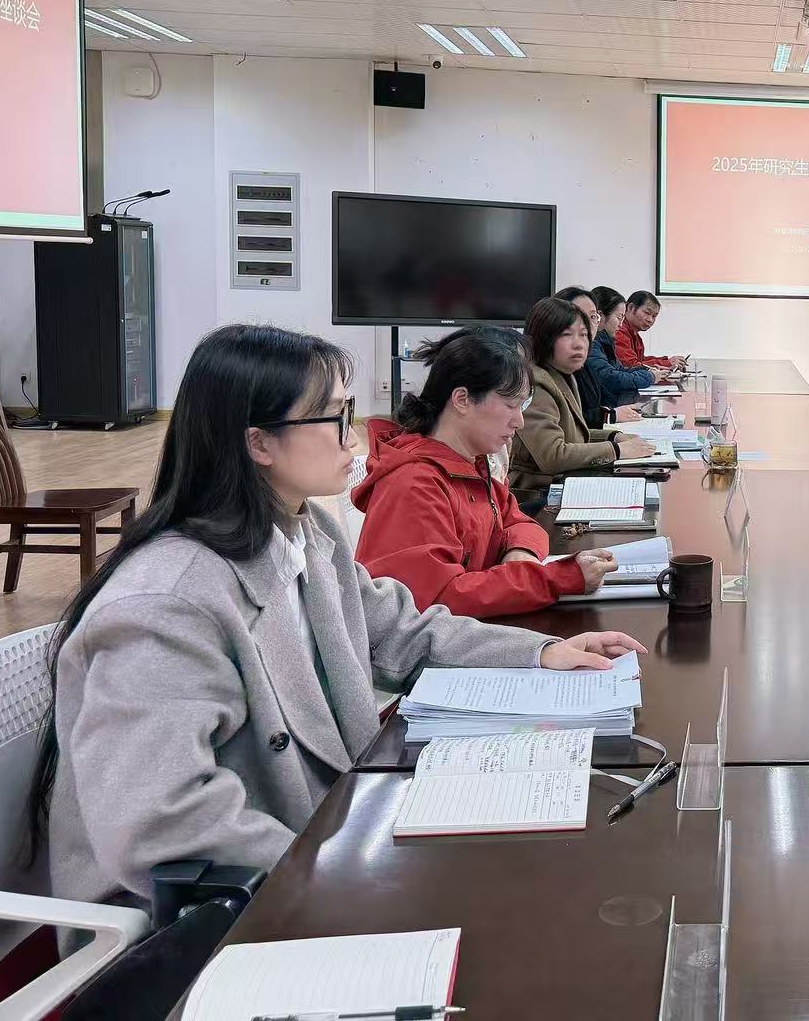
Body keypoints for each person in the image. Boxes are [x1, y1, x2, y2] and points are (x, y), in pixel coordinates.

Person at [35, 324, 643, 912]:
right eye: (332, 417)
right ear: (259, 443)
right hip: (220, 914)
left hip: (326, 840)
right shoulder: (166, 604)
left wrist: (539, 654)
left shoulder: (305, 533)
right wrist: (339, 870)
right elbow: (164, 823)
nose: (352, 437)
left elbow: (401, 631)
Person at [354, 326, 617, 617]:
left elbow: (520, 522)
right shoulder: (415, 483)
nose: (519, 421)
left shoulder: (468, 464)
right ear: (462, 399)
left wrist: (521, 552)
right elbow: (438, 599)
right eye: (510, 405)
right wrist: (557, 579)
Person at [510, 296, 658, 496]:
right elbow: (554, 456)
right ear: (543, 338)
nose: (579, 344)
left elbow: (574, 437)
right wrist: (617, 450)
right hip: (536, 494)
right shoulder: (534, 382)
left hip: (564, 484)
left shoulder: (563, 375)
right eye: (566, 335)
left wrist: (615, 436)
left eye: (583, 335)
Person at [587, 285, 656, 412]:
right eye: (619, 318)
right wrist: (650, 376)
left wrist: (646, 369)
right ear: (600, 316)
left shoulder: (606, 340)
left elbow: (619, 369)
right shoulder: (592, 343)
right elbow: (611, 378)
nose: (621, 324)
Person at [556, 284, 607, 428]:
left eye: (592, 316)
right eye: (579, 316)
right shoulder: (554, 368)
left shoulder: (584, 363)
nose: (587, 324)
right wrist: (610, 416)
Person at [615, 291, 686, 378]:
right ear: (631, 308)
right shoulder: (619, 332)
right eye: (647, 313)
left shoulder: (635, 335)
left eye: (654, 316)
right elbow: (631, 366)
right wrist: (668, 363)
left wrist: (667, 360)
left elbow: (640, 360)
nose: (650, 320)